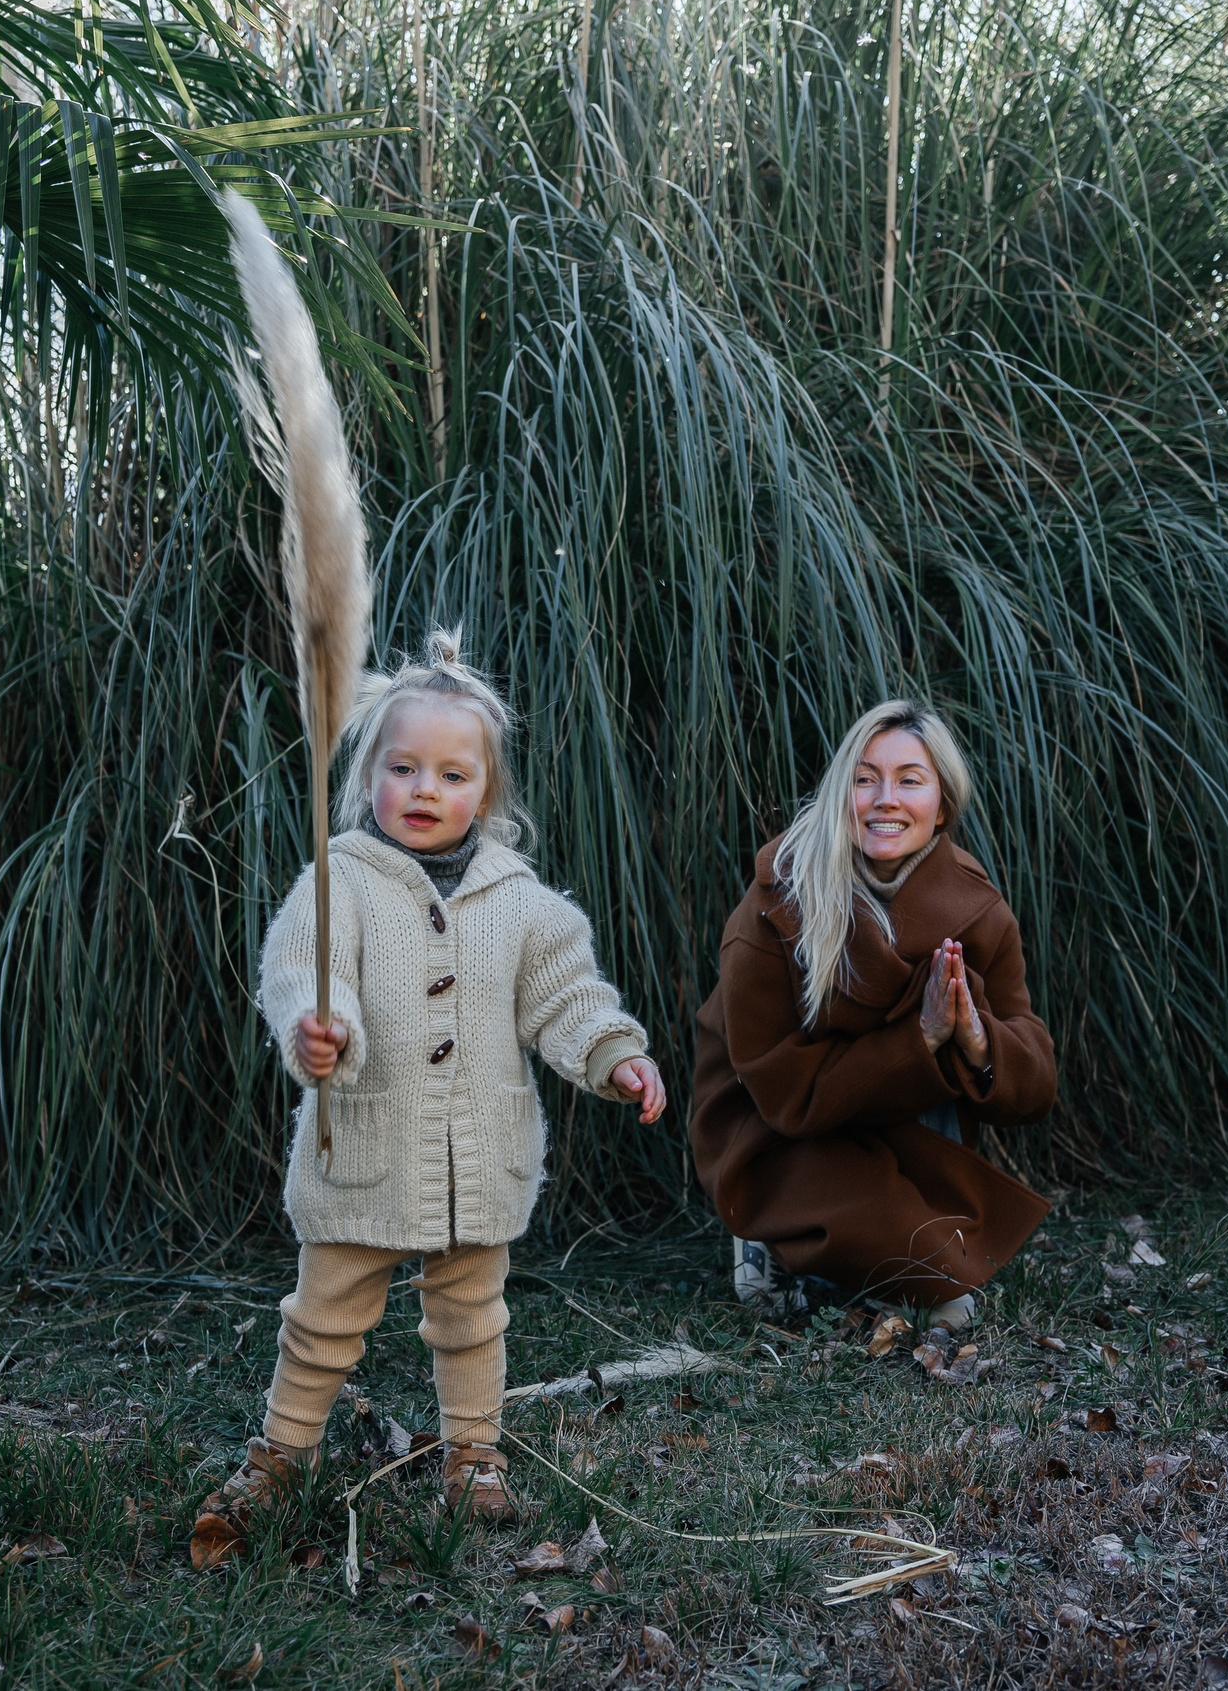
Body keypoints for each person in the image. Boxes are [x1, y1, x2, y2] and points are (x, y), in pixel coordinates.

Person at [191, 629, 666, 1567]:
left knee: (471, 1312)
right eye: (403, 767)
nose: (425, 790)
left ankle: (474, 1456)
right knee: (325, 1313)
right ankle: (283, 1453)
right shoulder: (341, 882)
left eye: (452, 775)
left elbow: (566, 997)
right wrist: (317, 1027)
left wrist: (614, 1053)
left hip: (477, 1156)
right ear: (370, 773)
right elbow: (301, 969)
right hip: (364, 1146)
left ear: (485, 793)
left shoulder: (521, 901)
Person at [689, 700, 1054, 1330]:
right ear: (841, 795)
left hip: (899, 1123)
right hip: (778, 1131)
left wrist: (973, 1037)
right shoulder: (777, 903)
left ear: (941, 806)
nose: (885, 799)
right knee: (933, 1278)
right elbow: (783, 1094)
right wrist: (916, 1038)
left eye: (909, 780)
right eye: (865, 779)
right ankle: (772, 1239)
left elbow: (1036, 1084)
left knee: (943, 1290)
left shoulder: (976, 909)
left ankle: (870, 1247)